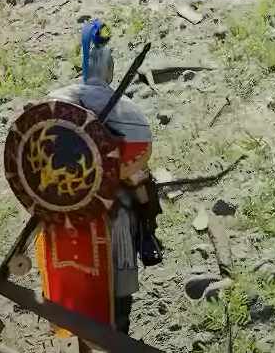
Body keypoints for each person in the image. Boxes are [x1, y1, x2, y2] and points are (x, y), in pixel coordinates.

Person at [35, 20, 160, 338]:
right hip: (110, 219)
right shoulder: (129, 112)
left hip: (66, 213)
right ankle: (148, 239)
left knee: (79, 300)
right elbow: (135, 173)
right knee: (142, 190)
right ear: (110, 66)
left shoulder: (55, 100)